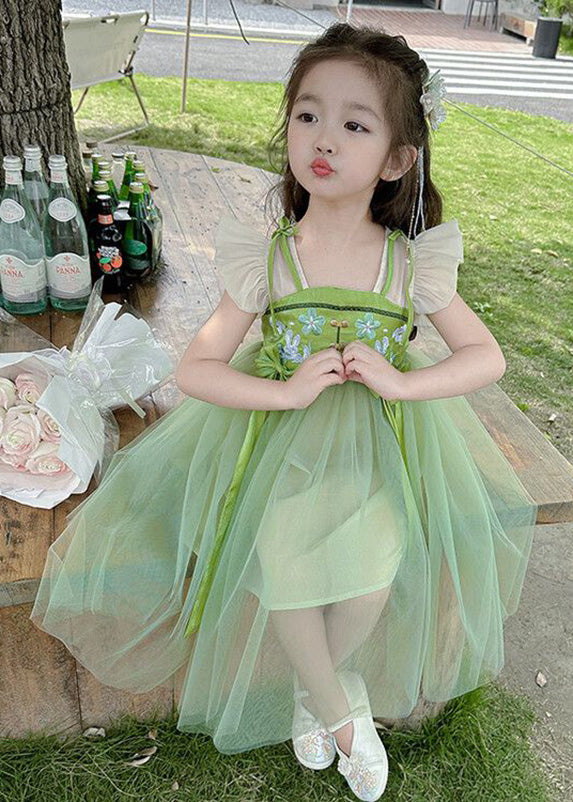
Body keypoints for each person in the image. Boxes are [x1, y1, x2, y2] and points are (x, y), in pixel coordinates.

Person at [30, 23, 537, 801]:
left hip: (378, 443)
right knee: (289, 572)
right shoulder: (268, 258)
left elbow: (485, 356)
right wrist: (286, 391)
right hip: (275, 443)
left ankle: (317, 689)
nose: (322, 138)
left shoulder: (409, 262)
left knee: (370, 580)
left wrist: (400, 383)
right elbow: (197, 368)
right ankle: (340, 712)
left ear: (397, 159)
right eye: (307, 115)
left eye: (354, 125)